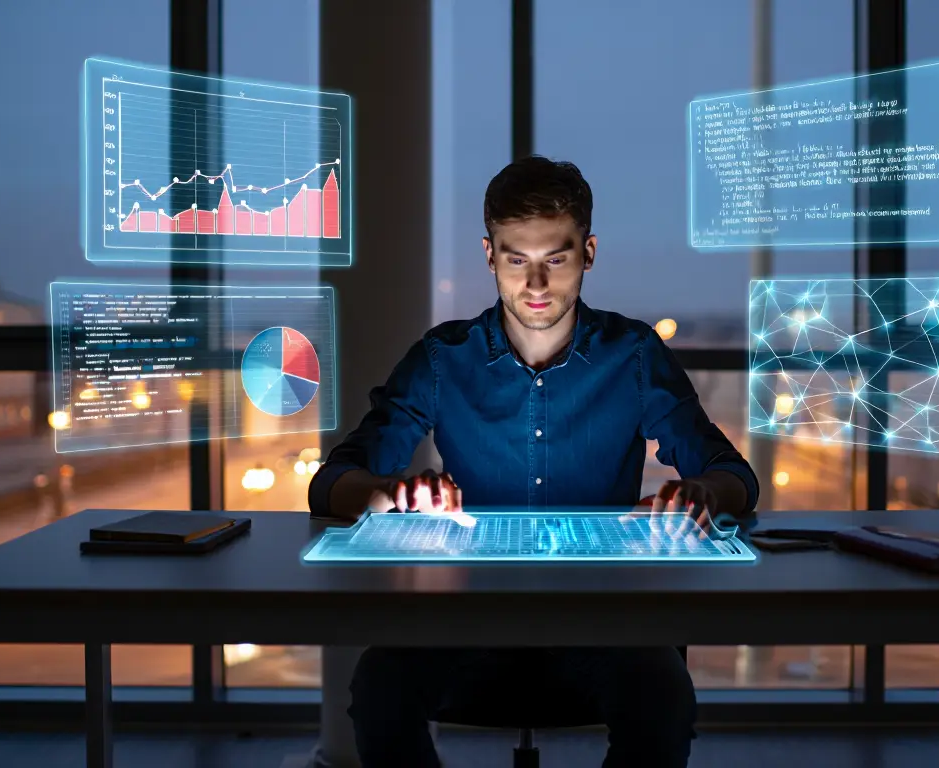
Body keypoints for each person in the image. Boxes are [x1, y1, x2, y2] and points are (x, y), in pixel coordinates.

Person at [307, 155, 759, 768]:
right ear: (490, 255)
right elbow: (332, 480)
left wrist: (705, 492)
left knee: (661, 695)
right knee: (378, 691)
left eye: (557, 258)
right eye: (517, 259)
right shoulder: (443, 359)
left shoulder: (632, 355)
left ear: (589, 253)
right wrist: (387, 495)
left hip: (602, 619)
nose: (537, 285)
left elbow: (733, 475)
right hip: (465, 618)